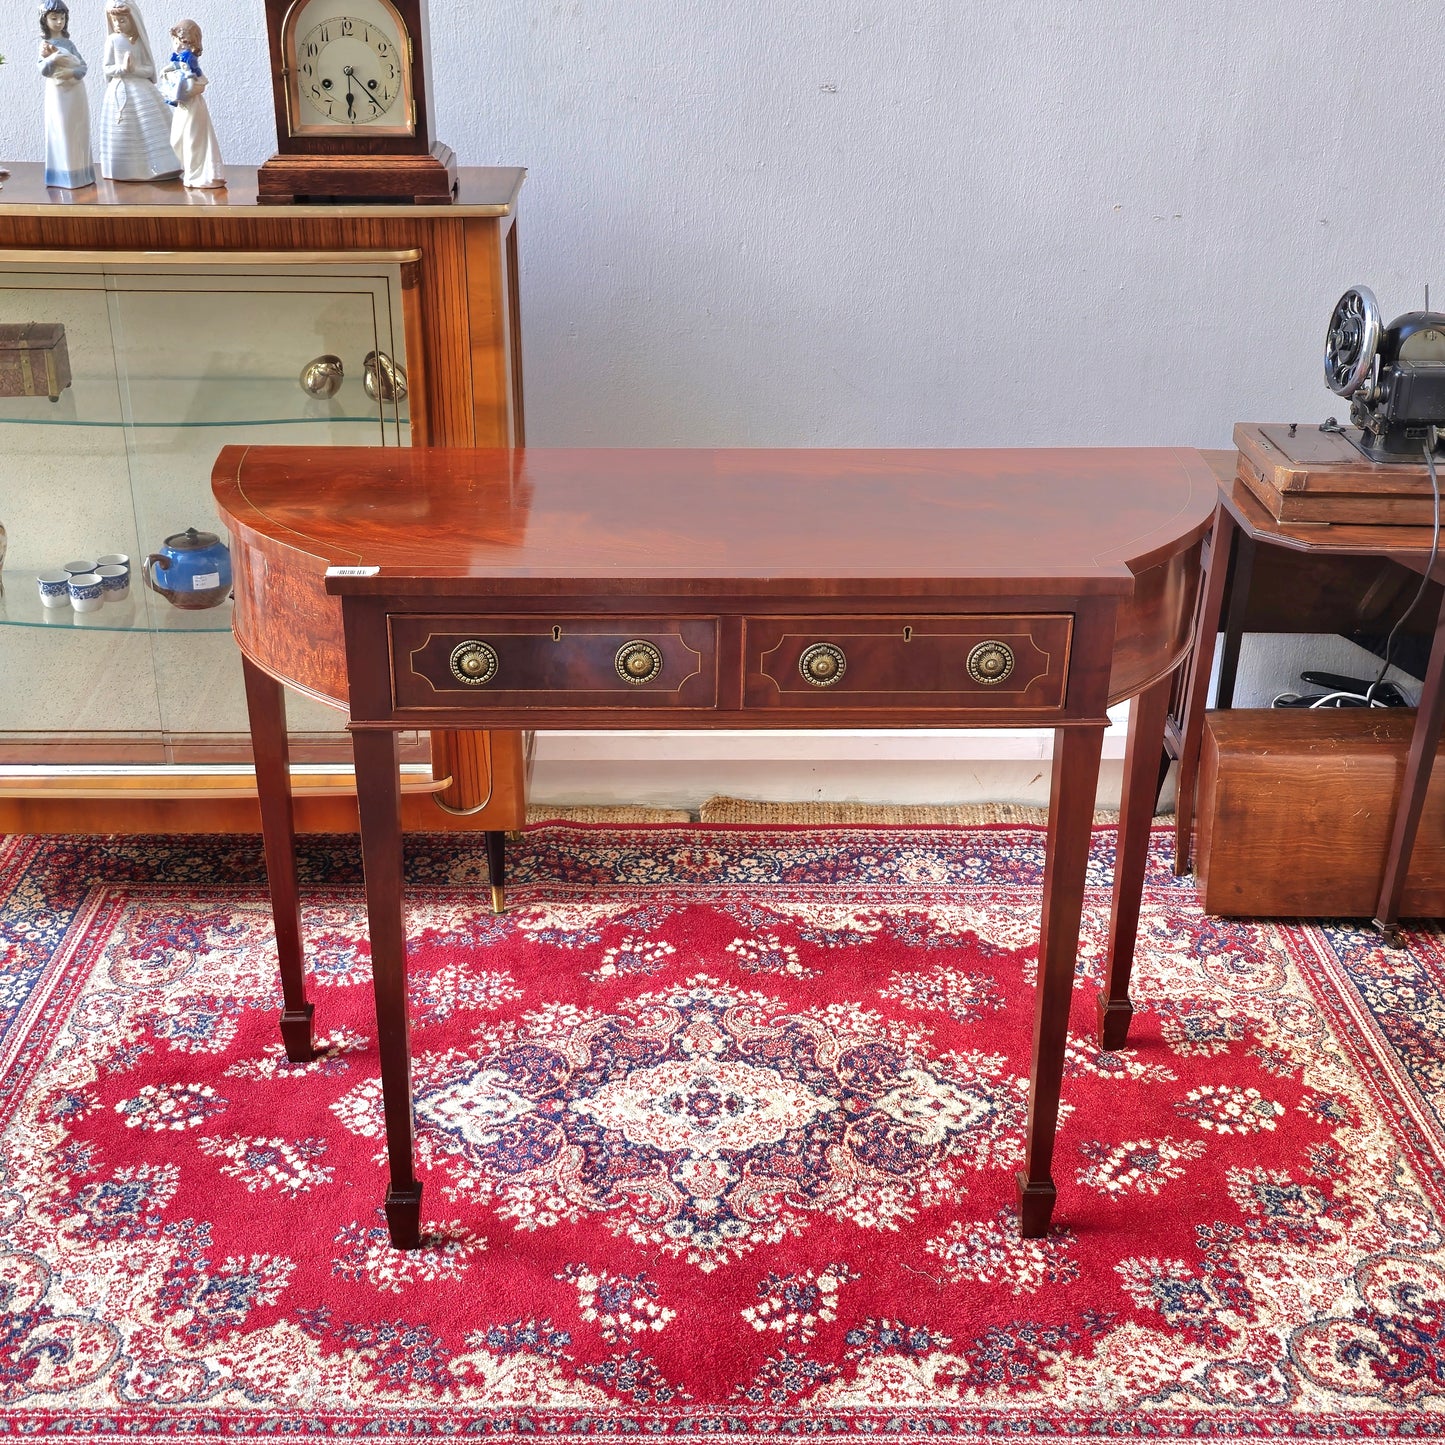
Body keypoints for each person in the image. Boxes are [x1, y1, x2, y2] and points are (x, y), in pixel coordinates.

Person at [99, 0, 181, 182]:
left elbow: (149, 70)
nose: (118, 25)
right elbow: (107, 68)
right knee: (124, 130)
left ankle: (160, 167)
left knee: (150, 126)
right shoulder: (112, 40)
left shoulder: (138, 42)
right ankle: (126, 169)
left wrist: (134, 70)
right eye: (115, 21)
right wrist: (122, 69)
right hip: (120, 91)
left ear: (133, 19)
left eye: (123, 20)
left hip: (141, 89)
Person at [159, 20, 224, 188]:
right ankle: (190, 170)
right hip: (182, 108)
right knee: (176, 139)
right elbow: (174, 65)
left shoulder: (189, 58)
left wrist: (186, 76)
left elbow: (198, 80)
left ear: (187, 41)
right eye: (173, 41)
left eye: (177, 41)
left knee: (192, 140)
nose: (174, 45)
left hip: (193, 107)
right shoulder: (179, 57)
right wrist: (166, 72)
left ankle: (196, 174)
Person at [37, 0, 94, 190]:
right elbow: (44, 70)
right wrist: (53, 57)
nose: (59, 22)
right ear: (45, 20)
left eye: (62, 18)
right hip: (58, 93)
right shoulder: (45, 46)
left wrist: (72, 73)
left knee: (77, 129)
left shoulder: (68, 43)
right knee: (61, 130)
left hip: (76, 90)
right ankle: (61, 175)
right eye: (54, 18)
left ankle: (81, 173)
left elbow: (83, 66)